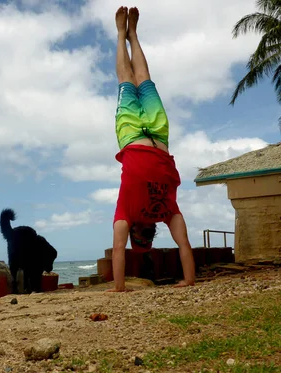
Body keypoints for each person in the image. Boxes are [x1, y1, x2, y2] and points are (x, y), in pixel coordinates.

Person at [108, 6, 195, 292]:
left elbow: (183, 243)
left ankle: (131, 34)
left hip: (159, 137)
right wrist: (118, 287)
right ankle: (124, 34)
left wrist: (189, 280)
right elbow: (119, 250)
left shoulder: (167, 210)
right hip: (133, 137)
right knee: (127, 81)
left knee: (143, 80)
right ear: (136, 231)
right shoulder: (127, 213)